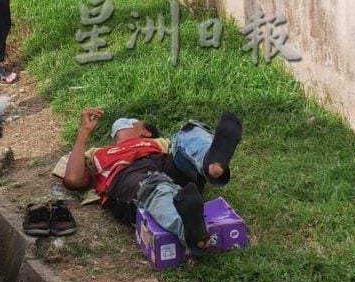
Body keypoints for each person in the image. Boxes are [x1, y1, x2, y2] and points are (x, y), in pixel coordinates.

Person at [62, 108, 242, 253]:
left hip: (164, 163)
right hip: (130, 178)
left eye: (135, 123)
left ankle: (210, 164)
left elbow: (181, 150)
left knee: (187, 131)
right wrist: (83, 131)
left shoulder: (157, 143)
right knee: (156, 187)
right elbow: (72, 180)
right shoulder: (98, 154)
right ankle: (190, 232)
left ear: (145, 132)